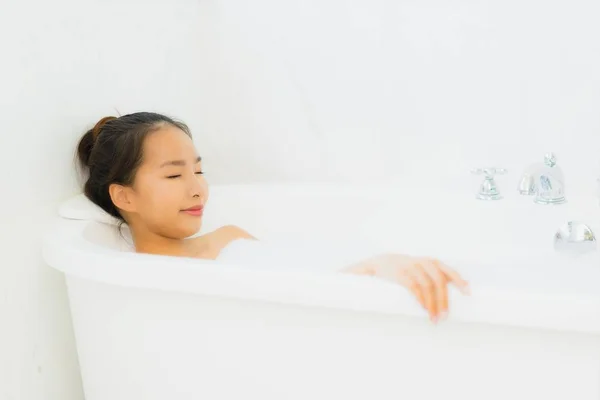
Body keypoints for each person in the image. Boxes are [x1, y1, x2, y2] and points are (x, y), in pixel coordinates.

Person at [77, 112, 470, 323]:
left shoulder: (229, 240)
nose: (197, 188)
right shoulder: (129, 282)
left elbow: (307, 292)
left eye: (198, 170)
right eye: (175, 174)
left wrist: (379, 266)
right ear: (124, 195)